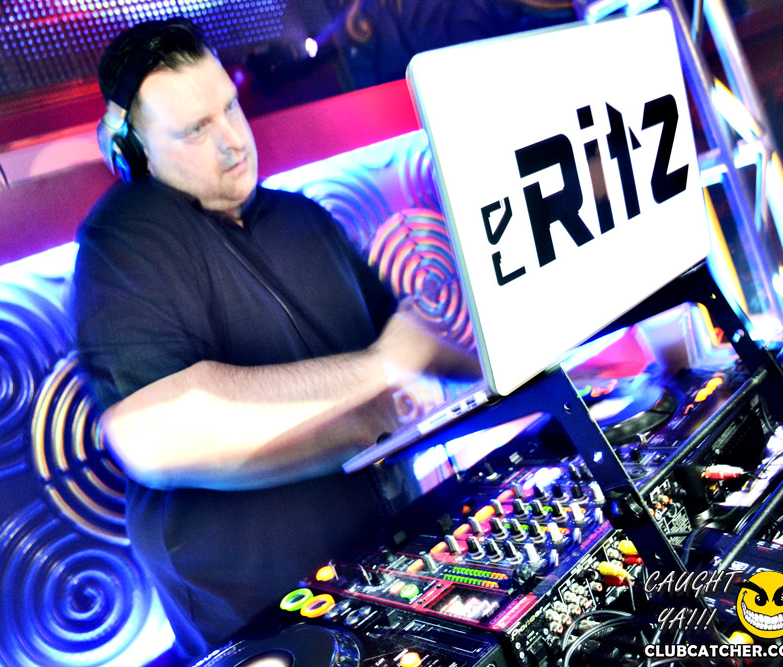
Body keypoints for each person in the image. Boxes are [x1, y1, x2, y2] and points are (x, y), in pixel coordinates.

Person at [71, 17, 481, 661]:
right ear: (132, 149)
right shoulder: (123, 239)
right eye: (195, 130)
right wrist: (380, 369)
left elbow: (409, 338)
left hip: (388, 567)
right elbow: (153, 435)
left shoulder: (302, 216)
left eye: (231, 108)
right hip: (261, 617)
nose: (234, 140)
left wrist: (501, 363)